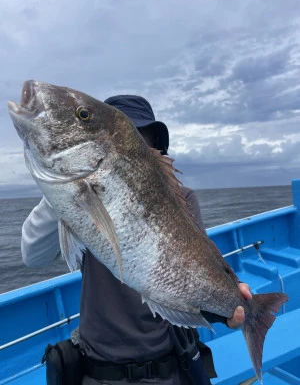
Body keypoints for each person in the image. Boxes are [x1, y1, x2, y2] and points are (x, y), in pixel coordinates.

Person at [22, 95, 252, 385]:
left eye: (143, 136)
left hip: (170, 362)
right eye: (128, 135)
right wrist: (65, 188)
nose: (136, 146)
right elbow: (33, 255)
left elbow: (194, 272)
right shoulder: (78, 200)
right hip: (99, 368)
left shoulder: (184, 199)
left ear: (155, 145)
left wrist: (227, 309)